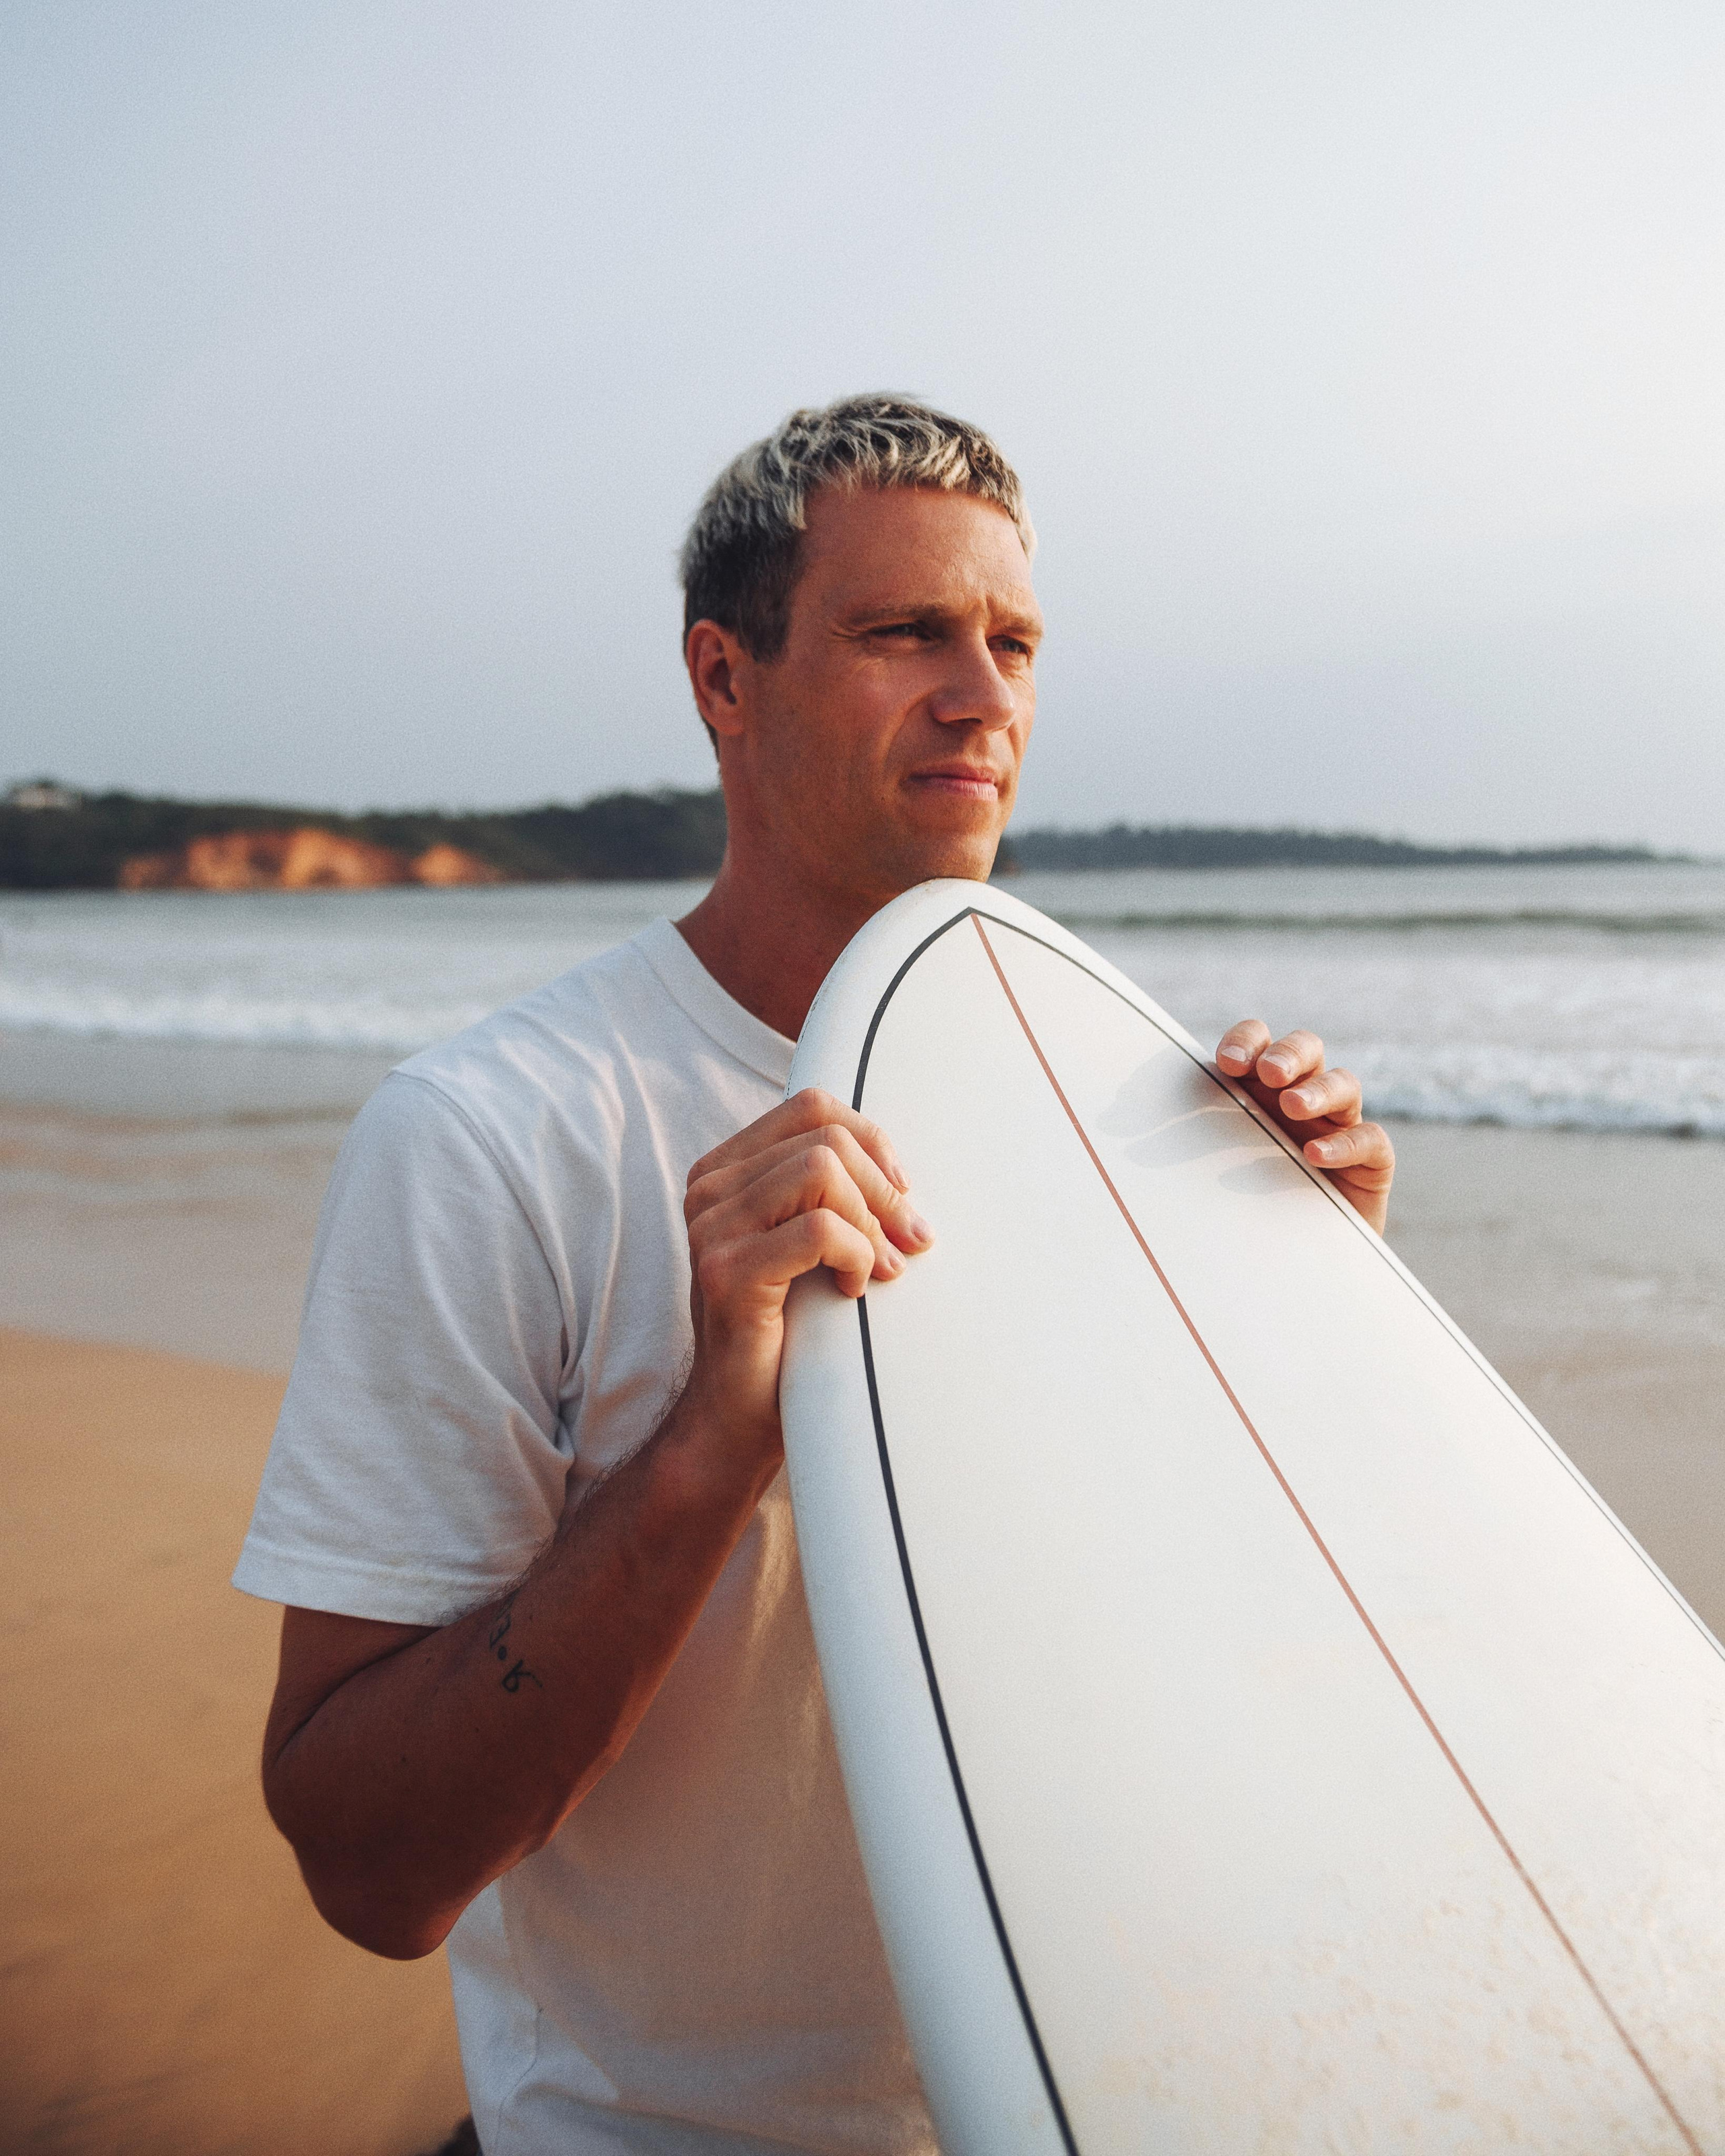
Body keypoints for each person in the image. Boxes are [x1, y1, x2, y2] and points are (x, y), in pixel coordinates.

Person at [235, 394, 1395, 2155]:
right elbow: (369, 1869)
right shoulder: (490, 1134)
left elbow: (1243, 1656)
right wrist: (714, 1438)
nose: (985, 695)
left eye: (1012, 643)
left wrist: (1315, 1311)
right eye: (903, 633)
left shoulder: (1126, 1109)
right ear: (725, 679)